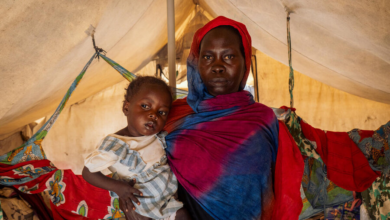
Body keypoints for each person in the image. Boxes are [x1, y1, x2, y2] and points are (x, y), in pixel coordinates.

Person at [82, 76, 190, 220]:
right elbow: (88, 172)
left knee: (183, 216)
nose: (153, 115)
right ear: (126, 108)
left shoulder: (157, 136)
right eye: (145, 106)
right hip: (141, 207)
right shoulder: (117, 145)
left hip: (169, 202)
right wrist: (118, 188)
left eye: (162, 112)